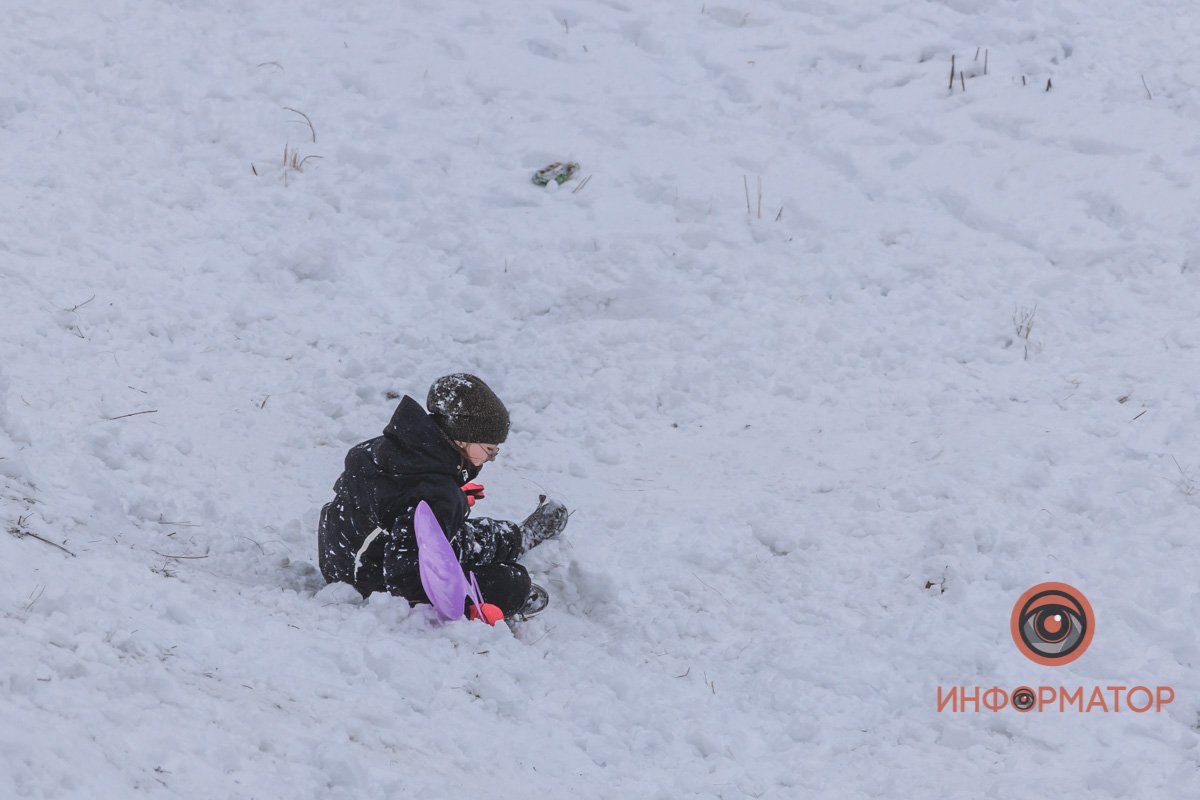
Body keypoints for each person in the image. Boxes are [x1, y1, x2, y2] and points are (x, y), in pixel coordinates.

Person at [318, 374, 568, 619]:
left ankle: (519, 537)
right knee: (511, 582)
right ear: (462, 439)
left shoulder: (390, 447)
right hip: (370, 580)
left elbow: (391, 498)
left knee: (461, 535)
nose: (492, 458)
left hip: (338, 557)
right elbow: (406, 579)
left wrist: (446, 502)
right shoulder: (437, 494)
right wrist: (476, 599)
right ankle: (516, 565)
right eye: (490, 450)